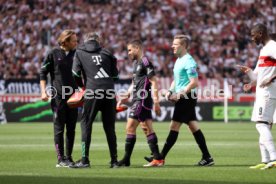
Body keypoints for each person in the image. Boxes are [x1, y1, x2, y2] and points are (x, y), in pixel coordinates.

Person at [145, 35, 214, 166]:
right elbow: (177, 80)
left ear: (182, 46)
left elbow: (194, 83)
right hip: (183, 97)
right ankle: (207, 157)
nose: (172, 46)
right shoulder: (179, 60)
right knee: (193, 126)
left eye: (175, 44)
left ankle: (160, 158)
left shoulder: (189, 61)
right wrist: (171, 92)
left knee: (174, 126)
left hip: (187, 98)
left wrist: (180, 94)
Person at [70, 32, 119, 168]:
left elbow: (75, 74)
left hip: (92, 91)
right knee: (109, 127)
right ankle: (114, 161)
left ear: (86, 41)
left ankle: (85, 160)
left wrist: (82, 87)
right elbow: (116, 77)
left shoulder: (79, 52)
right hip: (109, 92)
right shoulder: (107, 53)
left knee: (86, 123)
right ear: (98, 41)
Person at [117, 40, 164, 167]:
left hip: (142, 100)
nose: (128, 53)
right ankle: (158, 158)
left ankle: (126, 159)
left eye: (130, 50)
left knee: (131, 127)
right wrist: (126, 96)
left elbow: (154, 81)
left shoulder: (145, 61)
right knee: (146, 128)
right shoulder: (136, 63)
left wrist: (156, 101)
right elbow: (134, 83)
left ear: (137, 48)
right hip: (137, 99)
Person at [237, 24, 276, 170]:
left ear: (261, 33)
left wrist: (271, 78)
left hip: (268, 92)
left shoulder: (273, 46)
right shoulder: (263, 50)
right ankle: (265, 160)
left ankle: (274, 157)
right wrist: (249, 76)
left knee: (260, 124)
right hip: (262, 92)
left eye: (254, 35)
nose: (252, 39)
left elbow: (268, 77)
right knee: (264, 125)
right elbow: (258, 75)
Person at [40, 29, 79, 167]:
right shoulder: (53, 53)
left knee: (72, 128)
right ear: (65, 41)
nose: (76, 42)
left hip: (74, 97)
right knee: (59, 128)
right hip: (58, 97)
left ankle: (69, 158)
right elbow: (43, 73)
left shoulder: (78, 54)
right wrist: (43, 92)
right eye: (74, 40)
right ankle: (60, 159)